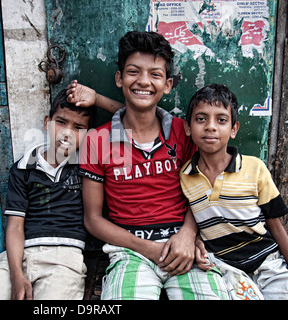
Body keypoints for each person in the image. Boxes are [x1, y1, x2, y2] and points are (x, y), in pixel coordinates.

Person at [71, 31, 229, 300]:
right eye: (134, 72)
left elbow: (206, 190)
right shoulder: (97, 140)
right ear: (120, 79)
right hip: (128, 251)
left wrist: (188, 234)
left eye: (155, 74)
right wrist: (148, 248)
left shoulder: (185, 132)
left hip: (182, 245)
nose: (144, 81)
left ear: (167, 85)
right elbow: (93, 219)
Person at [0, 89, 95, 300]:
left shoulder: (87, 166)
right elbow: (16, 225)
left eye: (78, 127)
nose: (67, 133)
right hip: (20, 257)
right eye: (61, 122)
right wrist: (16, 275)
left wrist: (97, 99)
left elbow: (135, 118)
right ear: (47, 122)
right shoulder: (23, 167)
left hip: (64, 260)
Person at [180, 83, 288, 300]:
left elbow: (277, 227)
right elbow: (197, 217)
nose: (210, 126)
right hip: (224, 269)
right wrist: (197, 242)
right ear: (188, 128)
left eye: (221, 120)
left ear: (234, 129)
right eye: (201, 119)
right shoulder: (186, 176)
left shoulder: (255, 168)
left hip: (267, 263)